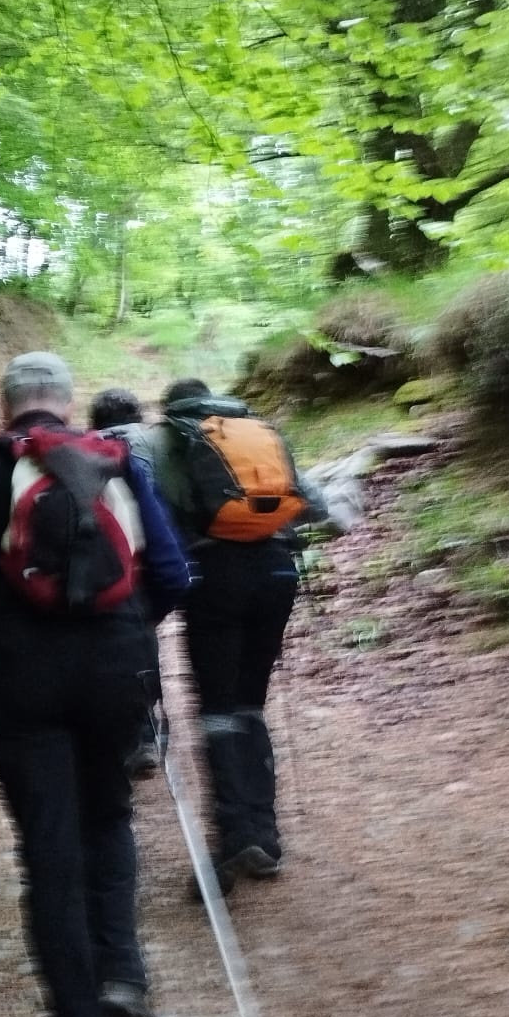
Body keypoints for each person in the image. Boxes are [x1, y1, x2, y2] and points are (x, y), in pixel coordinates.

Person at [0, 351, 190, 1017]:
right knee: (108, 817)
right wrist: (123, 630)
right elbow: (173, 574)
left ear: (3, 405)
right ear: (68, 405)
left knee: (49, 857)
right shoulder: (115, 458)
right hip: (116, 677)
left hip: (23, 687)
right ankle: (123, 972)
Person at [150, 377, 327, 891]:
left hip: (216, 579)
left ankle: (236, 836)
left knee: (218, 710)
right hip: (277, 573)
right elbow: (313, 505)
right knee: (251, 703)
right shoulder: (257, 432)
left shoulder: (170, 440)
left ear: (172, 408)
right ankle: (267, 839)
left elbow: (158, 516)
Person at [89, 389, 161, 777]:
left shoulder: (89, 450)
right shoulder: (154, 444)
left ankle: (126, 736)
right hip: (150, 561)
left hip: (107, 562)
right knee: (144, 644)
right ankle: (146, 733)